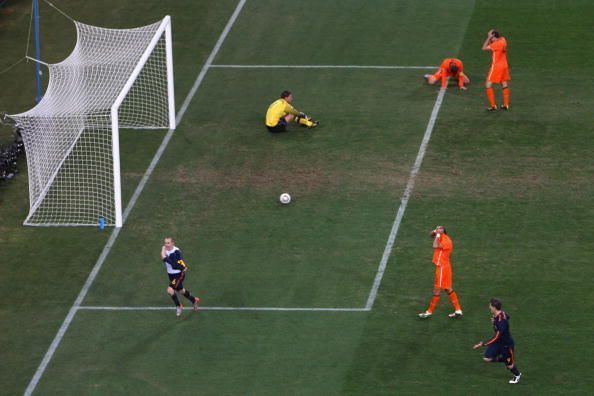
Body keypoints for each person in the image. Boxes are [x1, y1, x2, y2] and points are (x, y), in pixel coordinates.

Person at [473, 298, 522, 384]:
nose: (489, 307)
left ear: (495, 307)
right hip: (499, 342)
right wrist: (495, 321)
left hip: (507, 345)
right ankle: (504, 359)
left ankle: (517, 375)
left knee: (510, 366)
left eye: (490, 306)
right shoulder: (501, 315)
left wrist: (483, 344)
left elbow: (496, 337)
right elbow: (508, 316)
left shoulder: (500, 322)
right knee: (487, 358)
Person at [418, 225, 463, 318]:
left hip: (443, 268)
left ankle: (429, 312)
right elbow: (431, 235)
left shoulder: (447, 241)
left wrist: (437, 234)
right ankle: (458, 310)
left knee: (436, 290)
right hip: (443, 267)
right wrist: (435, 231)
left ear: (443, 232)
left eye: (440, 230)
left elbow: (434, 245)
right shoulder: (441, 236)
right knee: (448, 288)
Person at [161, 237, 200, 317]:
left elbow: (165, 258)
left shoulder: (176, 253)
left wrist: (162, 250)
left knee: (170, 290)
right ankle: (194, 300)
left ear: (172, 243)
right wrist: (163, 251)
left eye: (168, 243)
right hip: (171, 275)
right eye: (165, 243)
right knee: (181, 291)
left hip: (178, 274)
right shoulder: (166, 249)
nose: (166, 245)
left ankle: (178, 306)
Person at [482, 29, 511, 111]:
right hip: (504, 65)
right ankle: (506, 104)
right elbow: (493, 43)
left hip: (496, 67)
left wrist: (488, 38)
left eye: (490, 35)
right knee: (504, 83)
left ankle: (493, 106)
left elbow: (484, 48)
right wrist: (491, 38)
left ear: (493, 36)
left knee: (488, 85)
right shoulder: (503, 39)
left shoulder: (496, 44)